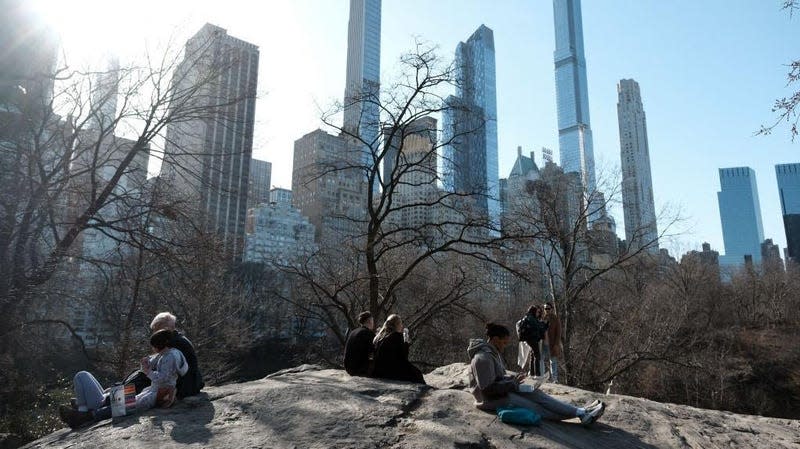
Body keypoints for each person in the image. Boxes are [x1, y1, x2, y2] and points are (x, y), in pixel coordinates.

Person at [468, 322, 605, 426]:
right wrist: (513, 384)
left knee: (537, 394)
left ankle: (580, 412)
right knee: (536, 408)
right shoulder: (483, 358)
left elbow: (496, 378)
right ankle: (582, 416)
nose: (505, 346)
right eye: (504, 342)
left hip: (502, 391)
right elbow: (487, 390)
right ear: (496, 339)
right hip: (490, 400)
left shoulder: (492, 353)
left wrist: (513, 379)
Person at [59, 329, 189, 429]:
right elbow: (152, 362)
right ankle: (84, 411)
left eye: (154, 346)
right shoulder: (166, 354)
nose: (153, 349)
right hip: (153, 390)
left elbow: (163, 378)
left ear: (160, 344)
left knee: (124, 404)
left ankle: (86, 415)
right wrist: (146, 363)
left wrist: (148, 371)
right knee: (124, 399)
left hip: (159, 393)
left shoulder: (170, 357)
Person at [150, 312, 204, 398]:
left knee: (147, 378)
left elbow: (164, 372)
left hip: (186, 386)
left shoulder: (173, 343)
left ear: (164, 328)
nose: (154, 333)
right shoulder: (176, 338)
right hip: (193, 382)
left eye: (156, 329)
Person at [372, 314, 426, 384]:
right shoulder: (397, 336)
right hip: (391, 371)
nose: (402, 326)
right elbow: (404, 357)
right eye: (400, 323)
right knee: (417, 373)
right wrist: (406, 342)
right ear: (396, 324)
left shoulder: (378, 337)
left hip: (378, 370)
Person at [516, 305, 548, 376]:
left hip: (529, 339)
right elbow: (537, 326)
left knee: (533, 355)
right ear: (533, 311)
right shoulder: (531, 318)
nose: (538, 313)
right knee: (537, 356)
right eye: (537, 312)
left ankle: (532, 373)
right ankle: (537, 374)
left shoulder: (528, 317)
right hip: (532, 339)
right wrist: (544, 325)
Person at [343, 311, 376, 376]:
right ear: (370, 321)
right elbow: (374, 351)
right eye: (373, 321)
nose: (373, 323)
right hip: (360, 369)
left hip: (348, 368)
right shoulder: (369, 333)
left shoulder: (353, 332)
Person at [541, 302, 562, 383]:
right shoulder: (542, 318)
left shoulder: (555, 318)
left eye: (548, 308)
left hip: (552, 343)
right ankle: (542, 376)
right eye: (545, 308)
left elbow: (559, 332)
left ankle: (554, 378)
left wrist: (556, 344)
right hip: (543, 343)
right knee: (541, 360)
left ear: (551, 309)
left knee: (553, 361)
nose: (546, 310)